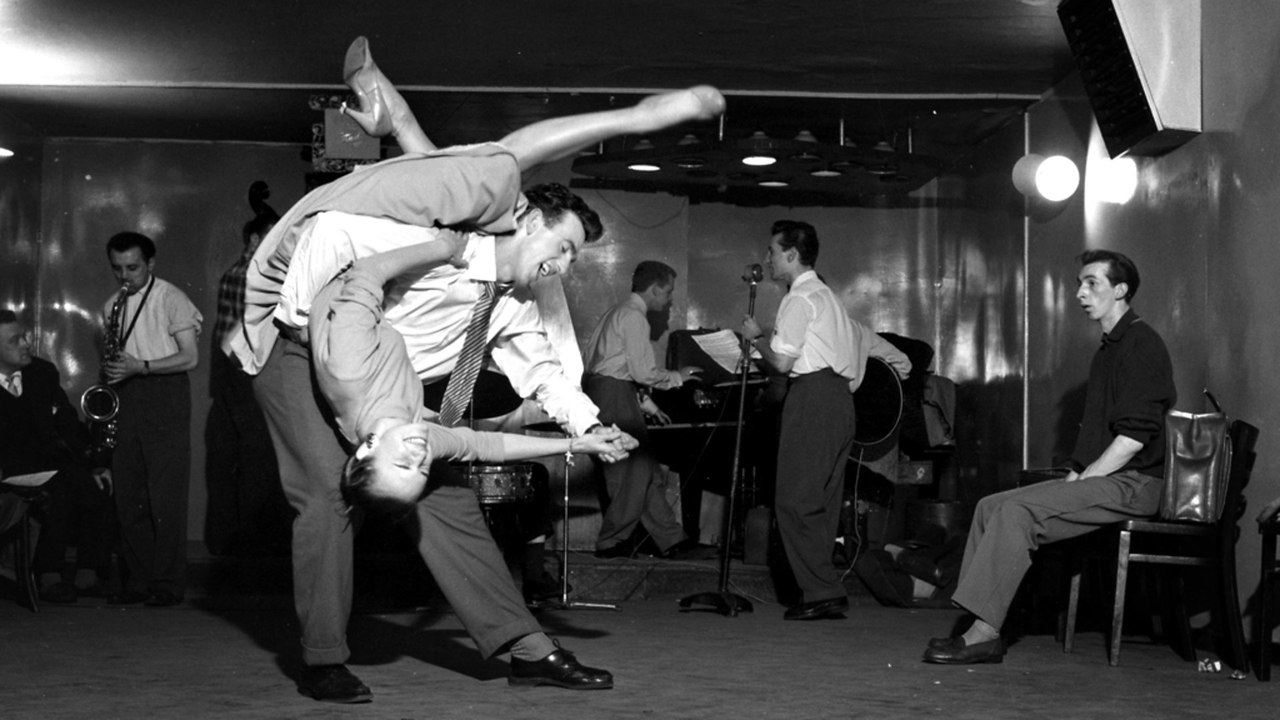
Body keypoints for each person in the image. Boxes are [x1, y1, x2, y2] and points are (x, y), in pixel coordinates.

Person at [224, 37, 725, 703]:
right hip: (306, 349)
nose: (566, 266)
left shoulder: (514, 298)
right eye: (565, 247)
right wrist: (284, 315)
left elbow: (540, 370)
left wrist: (590, 425)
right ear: (524, 221)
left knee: (449, 499)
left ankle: (528, 648)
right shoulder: (444, 241)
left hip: (389, 389)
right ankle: (322, 657)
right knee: (326, 494)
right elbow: (335, 232)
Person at [923, 249, 1175, 664]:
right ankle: (976, 621)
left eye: (1092, 283)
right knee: (991, 506)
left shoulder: (1141, 343)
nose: (1080, 292)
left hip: (1135, 485)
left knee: (1017, 512)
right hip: (1111, 479)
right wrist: (1075, 477)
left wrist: (1085, 481)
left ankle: (985, 634)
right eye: (1079, 283)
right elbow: (1097, 436)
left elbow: (1132, 439)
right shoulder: (1110, 348)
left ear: (1121, 290)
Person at [741, 220, 863, 621]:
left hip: (811, 398)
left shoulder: (798, 299)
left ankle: (823, 590)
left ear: (792, 255)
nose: (768, 258)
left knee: (793, 500)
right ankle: (820, 589)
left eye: (773, 251)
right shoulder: (828, 296)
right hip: (840, 401)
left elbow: (781, 362)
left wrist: (755, 336)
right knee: (823, 501)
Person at [100, 232, 202, 607]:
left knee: (165, 495)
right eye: (117, 268)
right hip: (128, 396)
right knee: (130, 495)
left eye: (133, 267)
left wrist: (140, 366)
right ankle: (137, 580)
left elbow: (189, 358)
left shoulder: (172, 298)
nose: (125, 276)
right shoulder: (112, 305)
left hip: (165, 393)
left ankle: (166, 583)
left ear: (151, 264)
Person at [583, 260, 711, 560]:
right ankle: (612, 541)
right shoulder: (634, 317)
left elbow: (608, 366)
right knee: (633, 472)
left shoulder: (614, 313)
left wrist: (645, 403)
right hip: (614, 394)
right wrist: (678, 376)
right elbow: (642, 373)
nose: (669, 301)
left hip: (608, 393)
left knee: (647, 471)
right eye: (668, 293)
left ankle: (672, 540)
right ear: (654, 289)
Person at [0, 310, 115, 603]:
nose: (26, 343)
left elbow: (66, 423)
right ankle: (49, 577)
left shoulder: (41, 372)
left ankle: (88, 575)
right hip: (7, 470)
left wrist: (95, 464)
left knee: (94, 485)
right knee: (62, 489)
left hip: (45, 464)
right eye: (16, 340)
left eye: (24, 335)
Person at [204, 192, 288, 556]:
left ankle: (239, 543)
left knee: (244, 463)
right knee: (257, 462)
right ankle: (251, 545)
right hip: (244, 378)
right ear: (255, 240)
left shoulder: (247, 274)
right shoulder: (249, 276)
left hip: (237, 379)